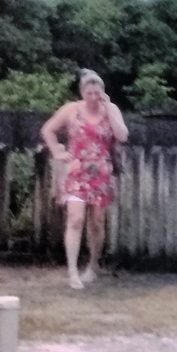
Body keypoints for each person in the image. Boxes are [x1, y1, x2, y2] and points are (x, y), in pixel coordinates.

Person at [41, 69, 129, 289]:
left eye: (97, 93)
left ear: (102, 92)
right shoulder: (71, 109)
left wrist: (109, 108)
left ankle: (93, 265)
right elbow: (48, 130)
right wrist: (57, 151)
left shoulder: (110, 109)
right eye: (89, 93)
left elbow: (122, 135)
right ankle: (72, 271)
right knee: (75, 219)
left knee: (97, 223)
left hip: (101, 172)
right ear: (82, 92)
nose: (93, 97)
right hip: (77, 171)